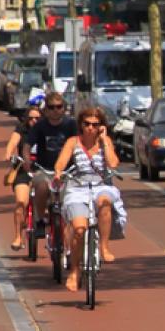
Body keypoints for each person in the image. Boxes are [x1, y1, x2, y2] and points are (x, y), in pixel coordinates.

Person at [52, 105, 125, 292]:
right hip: (78, 188)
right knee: (78, 229)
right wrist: (59, 173)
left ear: (101, 126)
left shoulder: (105, 141)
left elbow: (114, 163)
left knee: (104, 202)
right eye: (87, 124)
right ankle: (75, 272)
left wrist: (104, 140)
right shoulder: (73, 142)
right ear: (81, 125)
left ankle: (104, 247)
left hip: (101, 185)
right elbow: (61, 162)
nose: (91, 128)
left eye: (95, 124)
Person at [0, 100, 49, 248]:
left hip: (43, 170)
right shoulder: (21, 130)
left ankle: (51, 231)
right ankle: (18, 237)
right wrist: (8, 153)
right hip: (24, 170)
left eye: (37, 118)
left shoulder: (46, 131)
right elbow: (12, 143)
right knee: (21, 203)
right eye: (31, 118)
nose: (34, 121)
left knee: (52, 203)